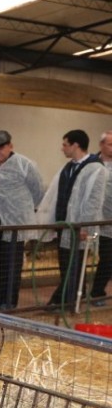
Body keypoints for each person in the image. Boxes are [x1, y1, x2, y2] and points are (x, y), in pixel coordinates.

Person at [36, 129, 108, 309]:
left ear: (76, 145)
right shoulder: (68, 167)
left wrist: (85, 226)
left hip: (78, 227)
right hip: (64, 224)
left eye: (65, 144)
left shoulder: (96, 169)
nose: (62, 148)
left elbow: (94, 200)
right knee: (65, 264)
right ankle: (66, 299)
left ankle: (66, 301)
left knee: (74, 264)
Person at [0, 130, 45, 311]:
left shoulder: (25, 165)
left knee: (11, 263)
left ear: (10, 146)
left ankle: (9, 301)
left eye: (1, 148)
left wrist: (23, 210)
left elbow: (38, 191)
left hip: (14, 222)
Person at [89, 130, 112, 305]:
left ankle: (97, 292)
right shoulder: (91, 163)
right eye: (110, 144)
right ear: (101, 145)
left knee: (108, 258)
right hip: (92, 218)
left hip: (110, 221)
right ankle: (75, 293)